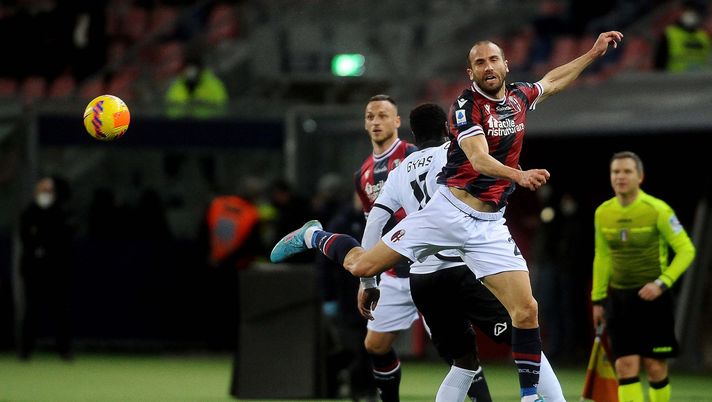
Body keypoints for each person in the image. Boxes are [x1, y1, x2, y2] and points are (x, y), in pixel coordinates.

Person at [271, 31, 623, 402]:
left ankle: (530, 396)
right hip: (446, 214)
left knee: (526, 309)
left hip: (487, 226)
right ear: (470, 72)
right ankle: (314, 236)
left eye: (492, 60)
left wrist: (592, 54)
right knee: (361, 266)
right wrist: (518, 174)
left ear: (506, 65)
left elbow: (551, 81)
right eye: (479, 63)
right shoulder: (465, 105)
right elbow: (478, 158)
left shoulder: (519, 97)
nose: (487, 67)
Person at [358, 103, 566, 402]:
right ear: (448, 129)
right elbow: (494, 180)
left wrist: (368, 283)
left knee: (462, 363)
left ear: (413, 137)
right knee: (523, 336)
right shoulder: (458, 154)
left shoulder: (399, 172)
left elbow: (374, 223)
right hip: (462, 267)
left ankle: (319, 238)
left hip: (423, 277)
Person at [591, 151, 696, 402]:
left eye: (627, 171)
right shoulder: (603, 213)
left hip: (653, 300)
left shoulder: (657, 210)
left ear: (640, 177)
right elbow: (602, 256)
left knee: (654, 366)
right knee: (624, 365)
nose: (620, 177)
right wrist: (598, 299)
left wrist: (662, 283)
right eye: (616, 172)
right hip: (619, 300)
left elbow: (686, 250)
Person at [353, 94, 418, 402]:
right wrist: (370, 279)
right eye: (370, 116)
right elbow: (372, 227)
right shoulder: (362, 174)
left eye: (382, 116)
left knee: (455, 348)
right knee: (375, 345)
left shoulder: (412, 155)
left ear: (396, 121)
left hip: (425, 266)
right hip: (391, 274)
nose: (376, 121)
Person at [18, 176, 75, 360]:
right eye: (43, 191)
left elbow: (65, 242)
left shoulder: (60, 214)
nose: (46, 195)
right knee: (32, 311)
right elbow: (26, 238)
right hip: (34, 271)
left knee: (60, 311)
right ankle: (26, 351)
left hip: (56, 272)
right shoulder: (29, 213)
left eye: (49, 192)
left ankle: (64, 350)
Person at [164, 54, 229, 118]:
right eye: (189, 69)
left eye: (194, 69)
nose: (191, 73)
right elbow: (171, 111)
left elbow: (221, 108)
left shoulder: (214, 85)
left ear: (201, 69)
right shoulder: (176, 87)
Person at [654, 2, 711, 73]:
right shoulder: (669, 34)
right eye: (688, 9)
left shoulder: (703, 36)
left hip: (698, 82)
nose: (691, 13)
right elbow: (659, 64)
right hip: (674, 81)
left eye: (694, 10)